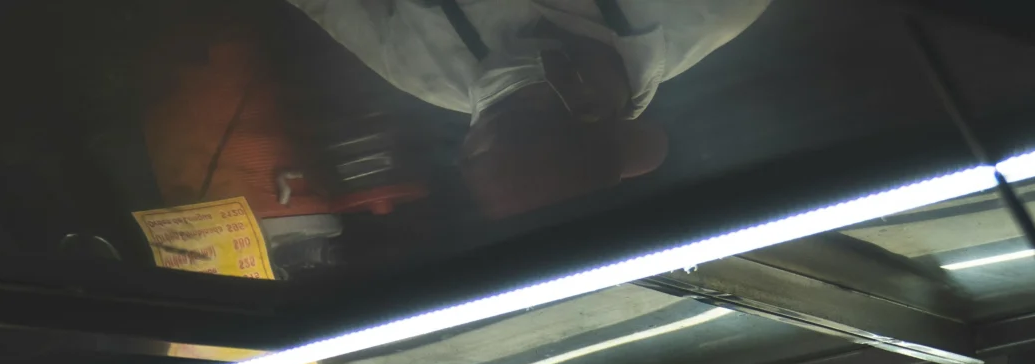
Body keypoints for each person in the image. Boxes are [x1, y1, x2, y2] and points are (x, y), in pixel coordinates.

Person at [285, 0, 772, 217]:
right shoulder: (712, 8)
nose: (485, 95)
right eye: (516, 115)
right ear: (585, 105)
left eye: (476, 136)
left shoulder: (429, 75)